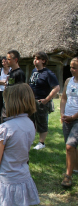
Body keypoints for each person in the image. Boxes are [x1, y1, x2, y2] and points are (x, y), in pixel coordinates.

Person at [0, 83, 40, 206]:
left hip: (6, 179)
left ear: (13, 102)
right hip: (24, 177)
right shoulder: (30, 124)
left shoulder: (5, 128)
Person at [29, 52, 60, 150]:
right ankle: (30, 140)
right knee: (31, 121)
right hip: (31, 101)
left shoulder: (48, 73)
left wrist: (46, 100)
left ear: (43, 60)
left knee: (42, 122)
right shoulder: (34, 71)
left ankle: (41, 143)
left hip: (41, 102)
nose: (35, 60)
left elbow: (57, 87)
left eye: (38, 58)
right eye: (34, 58)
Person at [60, 57, 78, 187]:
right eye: (71, 67)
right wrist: (62, 114)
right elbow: (64, 98)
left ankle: (68, 176)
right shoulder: (68, 81)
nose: (71, 70)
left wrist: (73, 117)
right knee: (70, 147)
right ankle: (75, 168)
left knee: (70, 146)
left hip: (76, 119)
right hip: (67, 118)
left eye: (75, 67)